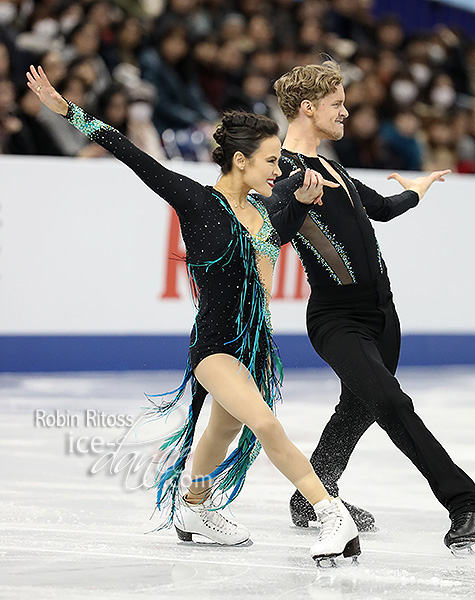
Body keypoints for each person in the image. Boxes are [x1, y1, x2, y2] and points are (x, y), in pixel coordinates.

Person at [25, 64, 360, 565]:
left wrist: (306, 202)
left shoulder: (269, 210)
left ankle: (194, 508)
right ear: (241, 161)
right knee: (265, 426)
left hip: (255, 347)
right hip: (215, 348)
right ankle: (332, 515)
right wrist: (67, 110)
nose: (279, 171)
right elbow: (131, 153)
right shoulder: (197, 202)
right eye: (271, 162)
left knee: (223, 431)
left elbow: (288, 234)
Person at [268, 61, 475, 556]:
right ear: (308, 108)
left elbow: (381, 209)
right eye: (337, 104)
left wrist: (417, 188)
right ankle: (467, 505)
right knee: (392, 404)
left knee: (356, 410)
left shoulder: (332, 166)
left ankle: (313, 496)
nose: (346, 112)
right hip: (336, 319)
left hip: (383, 317)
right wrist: (298, 204)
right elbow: (273, 232)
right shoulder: (283, 173)